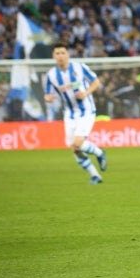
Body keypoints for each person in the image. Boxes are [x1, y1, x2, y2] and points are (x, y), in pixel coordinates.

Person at [43, 43, 108, 184]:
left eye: (62, 53)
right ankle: (95, 176)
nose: (60, 56)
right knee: (74, 149)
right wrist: (47, 98)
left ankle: (99, 152)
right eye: (57, 53)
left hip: (86, 111)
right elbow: (47, 94)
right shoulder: (51, 75)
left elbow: (96, 82)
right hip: (69, 114)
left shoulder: (79, 67)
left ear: (68, 54)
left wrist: (85, 93)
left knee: (78, 143)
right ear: (53, 56)